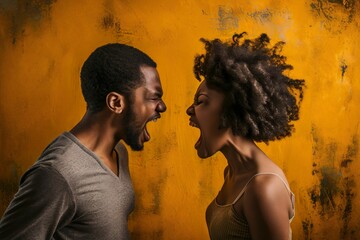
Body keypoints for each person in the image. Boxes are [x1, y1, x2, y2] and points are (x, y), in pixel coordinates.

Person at [0, 43, 166, 239]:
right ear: (116, 103)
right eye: (154, 98)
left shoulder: (119, 152)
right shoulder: (57, 174)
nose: (162, 107)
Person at [186, 32, 304, 240]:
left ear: (232, 108)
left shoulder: (264, 187)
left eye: (201, 101)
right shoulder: (231, 173)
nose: (189, 110)